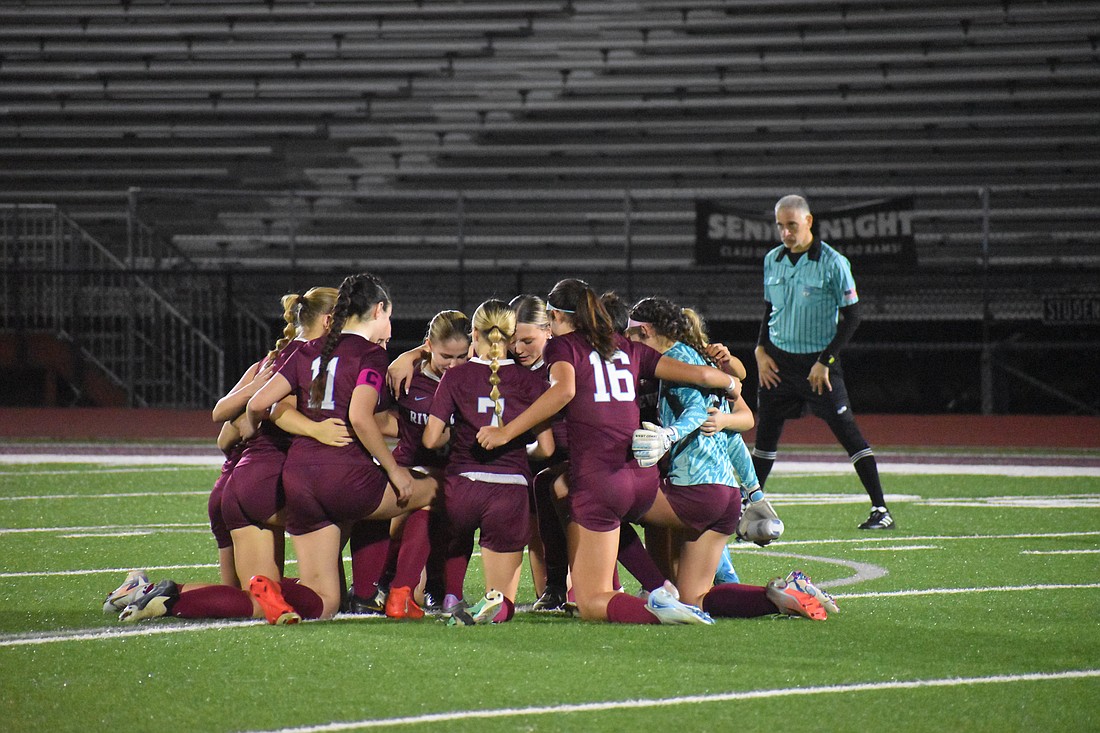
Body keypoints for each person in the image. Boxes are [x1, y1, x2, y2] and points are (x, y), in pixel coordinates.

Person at [476, 278, 742, 625]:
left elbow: (564, 391)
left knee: (592, 601)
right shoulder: (626, 347)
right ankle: (662, 589)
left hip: (600, 482)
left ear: (555, 317)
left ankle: (657, 607)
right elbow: (703, 377)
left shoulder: (564, 347)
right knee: (561, 490)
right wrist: (732, 382)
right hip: (643, 480)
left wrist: (505, 432)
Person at [240, 272, 439, 621]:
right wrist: (394, 470)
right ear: (378, 310)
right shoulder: (369, 355)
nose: (389, 325)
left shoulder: (306, 349)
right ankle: (401, 592)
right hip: (346, 476)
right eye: (389, 316)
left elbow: (258, 405)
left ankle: (274, 589)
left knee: (325, 601)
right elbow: (360, 417)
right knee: (438, 490)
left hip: (298, 478)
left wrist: (299, 431)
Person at [626, 297, 836, 621]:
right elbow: (733, 436)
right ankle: (781, 595)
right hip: (724, 495)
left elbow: (697, 412)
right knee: (694, 598)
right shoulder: (702, 361)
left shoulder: (675, 362)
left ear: (649, 331)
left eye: (631, 332)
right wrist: (754, 493)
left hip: (695, 489)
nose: (626, 340)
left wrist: (668, 434)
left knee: (611, 503)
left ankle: (655, 586)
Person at [753, 194, 894, 530]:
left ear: (809, 222)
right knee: (764, 439)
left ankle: (881, 510)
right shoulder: (772, 259)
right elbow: (769, 310)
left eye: (792, 225)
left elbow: (853, 316)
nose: (786, 233)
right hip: (777, 363)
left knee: (848, 434)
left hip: (818, 366)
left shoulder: (833, 262)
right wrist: (760, 350)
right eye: (780, 226)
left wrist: (825, 360)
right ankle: (750, 510)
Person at [423, 299, 555, 625]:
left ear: (474, 334)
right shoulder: (532, 383)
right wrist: (516, 446)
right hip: (510, 491)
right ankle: (492, 609)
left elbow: (429, 439)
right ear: (510, 339)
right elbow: (547, 449)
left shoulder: (455, 377)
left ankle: (452, 596)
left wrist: (461, 435)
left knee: (456, 535)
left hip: (463, 485)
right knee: (501, 602)